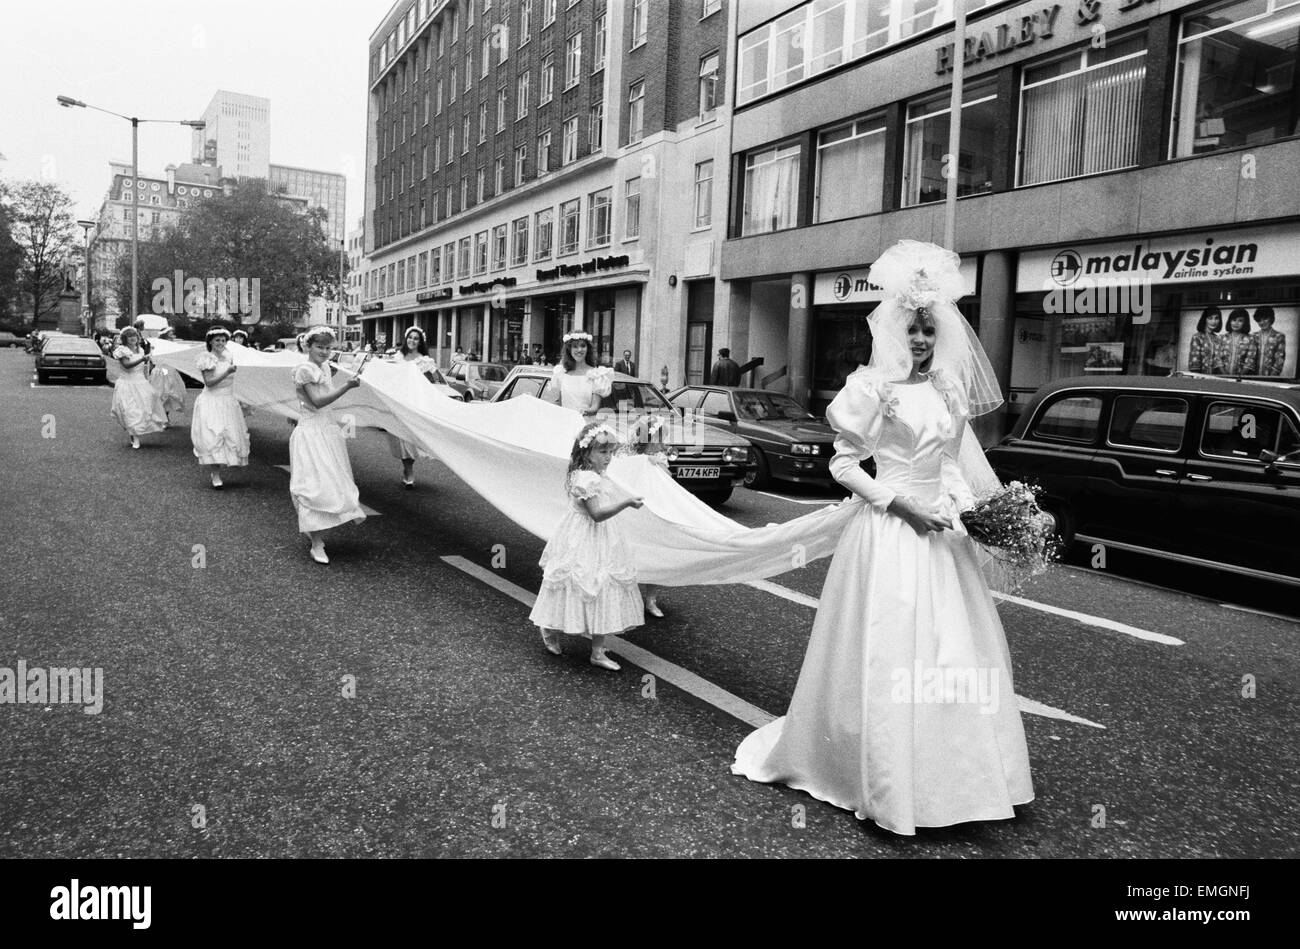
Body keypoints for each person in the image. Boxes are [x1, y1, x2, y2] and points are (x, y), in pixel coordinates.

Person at [732, 239, 1033, 836]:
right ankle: (883, 777)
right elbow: (843, 467)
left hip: (943, 536)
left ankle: (961, 778)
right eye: (913, 328)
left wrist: (980, 513)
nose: (921, 339)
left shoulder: (948, 389)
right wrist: (901, 506)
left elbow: (949, 462)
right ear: (896, 328)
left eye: (929, 328)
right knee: (890, 645)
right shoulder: (871, 387)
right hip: (890, 530)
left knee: (953, 650)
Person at [530, 422, 645, 671]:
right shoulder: (585, 478)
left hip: (602, 537)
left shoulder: (595, 475)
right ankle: (549, 627)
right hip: (583, 536)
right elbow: (597, 514)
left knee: (602, 586)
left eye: (611, 453)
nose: (609, 458)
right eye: (603, 452)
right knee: (575, 581)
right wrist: (626, 503)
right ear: (586, 453)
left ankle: (597, 651)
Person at [289, 327, 367, 564]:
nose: (324, 351)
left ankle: (318, 535)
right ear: (308, 347)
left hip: (327, 431)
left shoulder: (323, 368)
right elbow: (318, 401)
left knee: (331, 482)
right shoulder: (304, 370)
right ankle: (316, 542)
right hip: (311, 433)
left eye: (328, 347)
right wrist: (347, 386)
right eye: (320, 347)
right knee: (314, 486)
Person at [191, 326, 250, 489]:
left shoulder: (229, 356)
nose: (221, 343)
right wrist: (227, 372)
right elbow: (209, 382)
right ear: (210, 341)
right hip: (212, 401)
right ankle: (215, 473)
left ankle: (224, 464)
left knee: (229, 435)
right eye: (217, 340)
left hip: (228, 400)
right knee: (214, 436)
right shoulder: (206, 359)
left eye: (223, 340)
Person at [386, 326, 440, 488]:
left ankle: (409, 468)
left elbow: (434, 381)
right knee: (402, 439)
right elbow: (389, 377)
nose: (412, 341)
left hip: (415, 404)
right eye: (410, 337)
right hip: (398, 403)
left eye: (416, 338)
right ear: (406, 339)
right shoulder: (397, 357)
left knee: (412, 439)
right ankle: (408, 470)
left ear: (420, 342)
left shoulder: (425, 361)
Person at [628, 414, 670, 618]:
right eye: (658, 438)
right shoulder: (630, 457)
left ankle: (651, 599)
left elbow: (667, 482)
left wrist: (656, 464)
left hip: (656, 509)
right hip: (636, 509)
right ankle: (630, 596)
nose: (662, 443)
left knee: (655, 553)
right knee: (634, 552)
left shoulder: (660, 459)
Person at [109, 326, 168, 450]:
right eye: (129, 336)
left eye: (134, 336)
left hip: (141, 382)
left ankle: (138, 431)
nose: (132, 338)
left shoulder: (140, 350)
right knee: (130, 410)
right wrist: (142, 359)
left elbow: (144, 367)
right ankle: (134, 437)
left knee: (144, 409)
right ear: (125, 339)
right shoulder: (122, 350)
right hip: (127, 383)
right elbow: (126, 366)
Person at [551, 330, 614, 416]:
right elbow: (561, 404)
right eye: (575, 346)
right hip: (565, 423)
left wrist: (586, 411)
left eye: (583, 346)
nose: (579, 350)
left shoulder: (596, 375)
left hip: (584, 423)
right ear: (569, 349)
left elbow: (595, 407)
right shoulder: (562, 373)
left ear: (588, 348)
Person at [1222, 308, 1259, 376]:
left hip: (1241, 377)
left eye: (1240, 321)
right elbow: (1217, 359)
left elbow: (1250, 360)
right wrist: (1224, 375)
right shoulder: (1222, 338)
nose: (1236, 323)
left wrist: (1240, 375)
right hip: (1222, 376)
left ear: (1245, 323)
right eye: (1234, 320)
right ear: (1229, 321)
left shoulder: (1250, 339)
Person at [1252, 307, 1286, 377]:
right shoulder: (1253, 336)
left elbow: (1279, 359)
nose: (1262, 322)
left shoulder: (1279, 336)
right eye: (1259, 320)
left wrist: (1271, 377)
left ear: (1271, 319)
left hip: (1271, 377)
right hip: (1253, 376)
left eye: (1265, 319)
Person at [1188, 307, 1224, 373]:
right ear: (1205, 319)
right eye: (1210, 318)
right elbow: (1194, 364)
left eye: (1216, 318)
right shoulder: (1197, 337)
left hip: (1216, 379)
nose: (1213, 321)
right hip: (1201, 379)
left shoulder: (1218, 339)